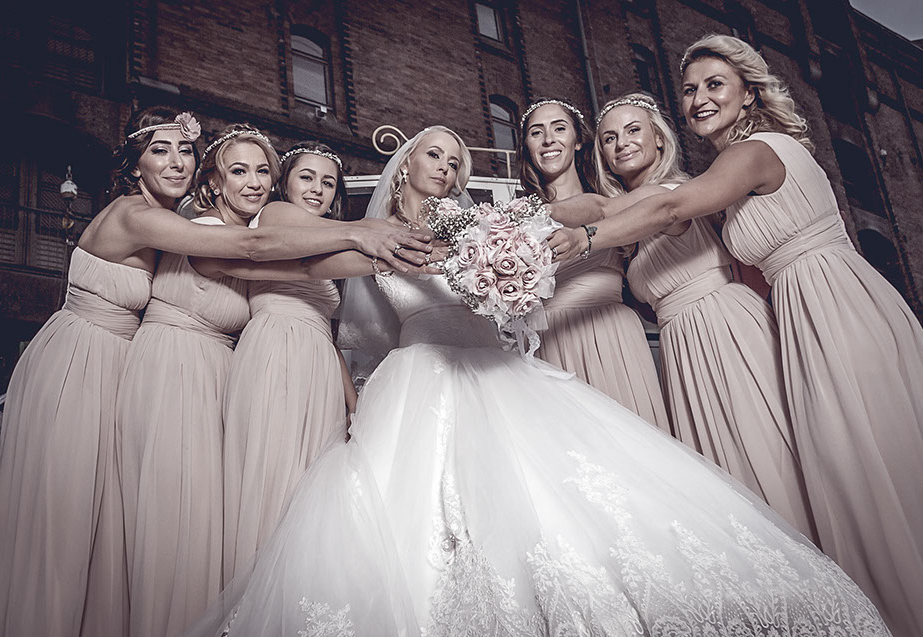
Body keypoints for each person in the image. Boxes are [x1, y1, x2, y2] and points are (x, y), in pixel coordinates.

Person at [181, 126, 889, 637]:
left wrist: (593, 221)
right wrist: (230, 259)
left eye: (457, 160)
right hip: (420, 377)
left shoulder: (483, 224)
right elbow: (305, 266)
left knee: (563, 503)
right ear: (404, 166)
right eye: (434, 154)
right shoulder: (377, 237)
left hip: (498, 371)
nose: (446, 167)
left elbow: (577, 212)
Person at [0, 107, 426, 637]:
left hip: (157, 368)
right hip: (94, 364)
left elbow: (300, 265)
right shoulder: (158, 220)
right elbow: (253, 247)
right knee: (67, 524)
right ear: (138, 165)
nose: (176, 161)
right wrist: (362, 230)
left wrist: (413, 253)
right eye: (160, 150)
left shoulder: (186, 226)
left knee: (120, 532)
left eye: (185, 149)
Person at [554, 35, 923, 636]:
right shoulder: (728, 166)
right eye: (690, 89)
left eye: (715, 84)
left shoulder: (754, 152)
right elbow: (609, 206)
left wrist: (585, 241)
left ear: (749, 91)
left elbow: (665, 208)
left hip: (832, 301)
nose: (699, 98)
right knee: (837, 466)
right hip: (794, 310)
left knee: (865, 457)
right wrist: (505, 221)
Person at [598, 92, 816, 541]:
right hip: (680, 346)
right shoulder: (626, 226)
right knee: (721, 474)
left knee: (763, 447)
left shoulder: (674, 192)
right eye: (609, 138)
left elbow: (605, 211)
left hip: (725, 327)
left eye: (634, 130)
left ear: (659, 139)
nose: (622, 143)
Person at [220, 142, 355, 584]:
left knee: (310, 486)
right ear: (285, 184)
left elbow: (328, 334)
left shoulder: (326, 245)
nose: (317, 189)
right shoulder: (275, 214)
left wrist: (353, 403)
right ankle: (252, 597)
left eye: (328, 183)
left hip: (319, 363)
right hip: (275, 351)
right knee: (271, 473)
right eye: (306, 177)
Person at [517, 99, 669, 431]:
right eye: (536, 133)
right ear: (526, 146)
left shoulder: (615, 202)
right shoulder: (514, 222)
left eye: (559, 128)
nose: (548, 140)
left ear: (578, 140)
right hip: (549, 341)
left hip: (611, 335)